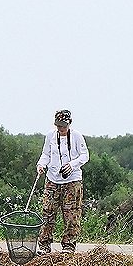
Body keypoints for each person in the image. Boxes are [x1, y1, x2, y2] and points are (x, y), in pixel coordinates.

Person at [36, 109, 89, 254]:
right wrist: (41, 165)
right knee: (48, 212)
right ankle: (44, 245)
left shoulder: (77, 136)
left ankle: (68, 246)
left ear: (69, 123)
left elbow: (85, 156)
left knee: (72, 214)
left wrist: (72, 165)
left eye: (63, 126)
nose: (61, 129)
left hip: (72, 181)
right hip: (52, 180)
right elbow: (45, 154)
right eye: (58, 126)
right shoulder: (50, 136)